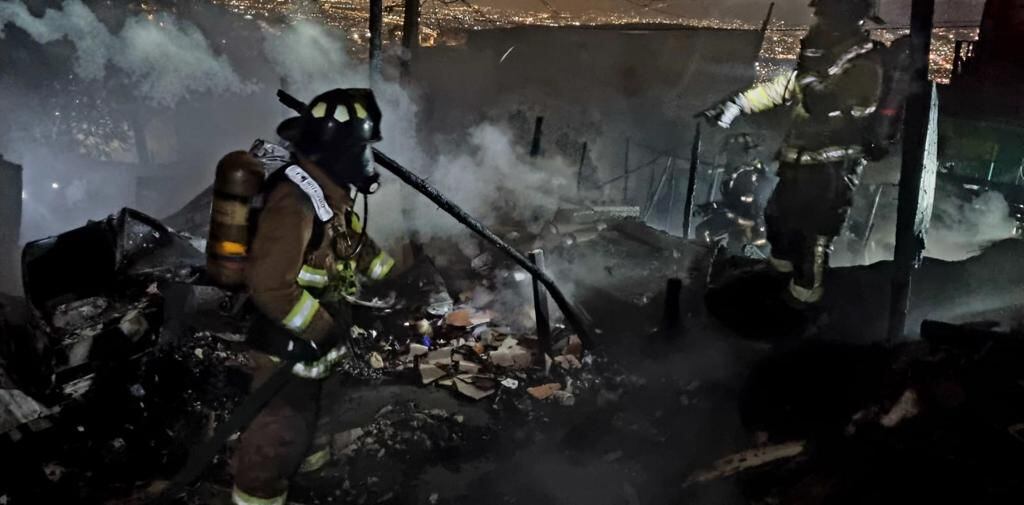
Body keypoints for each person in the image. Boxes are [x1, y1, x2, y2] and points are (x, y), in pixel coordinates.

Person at [230, 89, 396, 505]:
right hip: (285, 344)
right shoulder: (294, 203)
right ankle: (259, 495)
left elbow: (355, 247)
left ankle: (307, 479)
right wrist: (321, 328)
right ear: (340, 152)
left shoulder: (330, 195)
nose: (367, 160)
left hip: (318, 339)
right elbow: (269, 286)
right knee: (279, 433)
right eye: (362, 149)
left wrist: (398, 275)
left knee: (314, 419)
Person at [701, 0, 886, 306]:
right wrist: (736, 105)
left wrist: (808, 66)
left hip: (833, 170)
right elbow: (784, 87)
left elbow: (819, 102)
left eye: (824, 15)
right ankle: (778, 284)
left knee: (813, 237)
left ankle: (804, 301)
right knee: (778, 222)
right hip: (798, 162)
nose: (817, 23)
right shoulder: (825, 60)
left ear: (847, 19)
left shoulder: (866, 65)